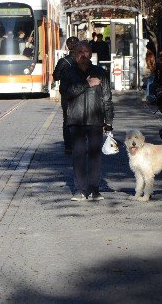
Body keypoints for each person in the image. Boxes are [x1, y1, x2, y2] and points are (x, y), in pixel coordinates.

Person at [60, 41, 114, 201]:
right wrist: (86, 84)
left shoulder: (100, 72)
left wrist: (109, 121)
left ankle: (94, 188)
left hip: (96, 119)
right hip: (76, 120)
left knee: (95, 156)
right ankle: (81, 190)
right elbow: (66, 93)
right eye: (80, 52)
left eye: (86, 52)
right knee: (78, 155)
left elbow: (107, 98)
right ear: (74, 54)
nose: (83, 55)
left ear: (90, 54)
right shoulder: (68, 72)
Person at [52, 36, 79, 153]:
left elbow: (56, 76)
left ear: (67, 46)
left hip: (67, 95)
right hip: (81, 94)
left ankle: (68, 146)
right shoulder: (83, 60)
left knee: (67, 120)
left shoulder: (63, 61)